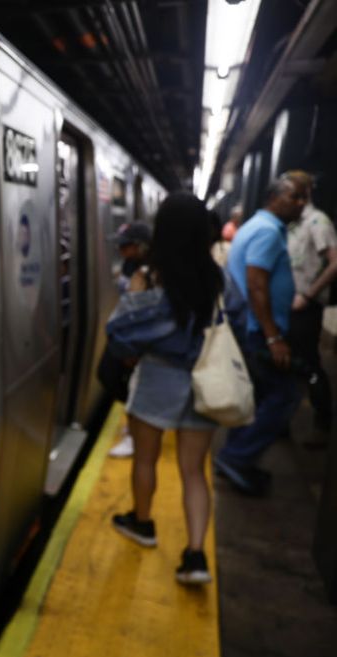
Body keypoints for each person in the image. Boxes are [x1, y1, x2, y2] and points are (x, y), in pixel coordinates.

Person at [106, 193, 244, 585]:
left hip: (157, 377)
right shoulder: (217, 277)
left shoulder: (148, 277)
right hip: (205, 380)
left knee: (145, 460)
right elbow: (234, 316)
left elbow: (122, 333)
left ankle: (142, 524)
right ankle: (196, 555)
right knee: (194, 472)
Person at [214, 176, 309, 495]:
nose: (301, 203)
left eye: (304, 197)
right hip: (257, 332)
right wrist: (273, 337)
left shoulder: (256, 226)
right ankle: (236, 457)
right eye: (295, 196)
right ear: (275, 198)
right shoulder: (268, 232)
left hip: (250, 327)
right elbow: (257, 284)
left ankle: (236, 453)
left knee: (256, 395)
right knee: (284, 395)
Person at [284, 170, 337, 435]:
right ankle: (282, 420)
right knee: (290, 361)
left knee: (309, 362)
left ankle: (323, 418)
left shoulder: (318, 222)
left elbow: (334, 262)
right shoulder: (294, 223)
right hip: (290, 304)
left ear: (302, 194)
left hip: (306, 306)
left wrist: (308, 295)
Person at [108, 221, 152, 459]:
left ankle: (135, 435)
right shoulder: (130, 265)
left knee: (135, 385)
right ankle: (133, 427)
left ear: (139, 246)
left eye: (125, 246)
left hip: (137, 340)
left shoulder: (150, 270)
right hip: (127, 334)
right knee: (111, 376)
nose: (121, 251)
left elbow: (144, 310)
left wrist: (134, 346)